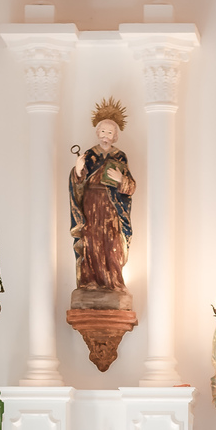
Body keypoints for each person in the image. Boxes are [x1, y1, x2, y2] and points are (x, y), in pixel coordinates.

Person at [70, 98, 136, 290]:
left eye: (109, 132)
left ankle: (113, 282)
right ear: (97, 133)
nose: (105, 135)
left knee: (112, 242)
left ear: (115, 136)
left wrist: (119, 180)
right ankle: (90, 281)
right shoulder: (90, 154)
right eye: (102, 131)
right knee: (91, 241)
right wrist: (78, 169)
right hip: (91, 203)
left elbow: (131, 186)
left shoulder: (120, 156)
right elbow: (79, 181)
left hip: (112, 205)